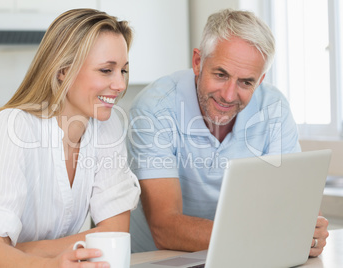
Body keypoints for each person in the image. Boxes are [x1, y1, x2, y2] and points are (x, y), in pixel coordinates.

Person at [0, 8, 140, 267]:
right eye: (106, 70)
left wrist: (18, 249)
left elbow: (114, 235)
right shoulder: (14, 128)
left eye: (123, 71)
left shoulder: (107, 126)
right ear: (63, 72)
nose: (120, 84)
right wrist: (46, 261)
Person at [127, 8, 328, 257]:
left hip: (240, 255)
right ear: (198, 62)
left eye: (246, 82)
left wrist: (306, 233)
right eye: (221, 75)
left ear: (261, 79)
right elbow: (166, 227)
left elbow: (290, 208)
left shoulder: (273, 108)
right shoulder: (154, 109)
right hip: (157, 259)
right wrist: (277, 235)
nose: (229, 95)